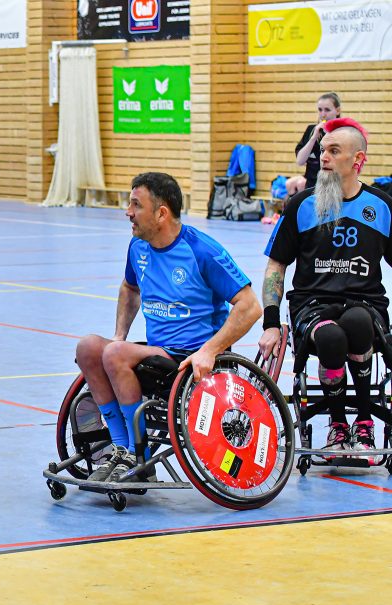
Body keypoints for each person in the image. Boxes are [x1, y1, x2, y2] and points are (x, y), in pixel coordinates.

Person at [75, 172, 261, 482]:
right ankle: (122, 449)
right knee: (90, 348)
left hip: (193, 359)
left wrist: (210, 351)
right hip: (158, 353)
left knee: (115, 355)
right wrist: (119, 335)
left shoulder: (202, 250)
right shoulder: (138, 248)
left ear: (161, 213)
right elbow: (130, 288)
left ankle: (139, 456)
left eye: (136, 205)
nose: (128, 212)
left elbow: (250, 306)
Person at [260, 117, 392, 462]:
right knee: (332, 337)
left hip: (365, 303)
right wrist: (271, 322)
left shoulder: (381, 206)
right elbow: (276, 267)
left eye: (334, 151)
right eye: (322, 151)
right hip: (312, 305)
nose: (324, 159)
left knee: (359, 323)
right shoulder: (301, 205)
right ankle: (336, 426)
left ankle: (364, 423)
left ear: (358, 160)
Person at [286, 93, 342, 196]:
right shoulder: (311, 130)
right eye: (320, 110)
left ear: (337, 111)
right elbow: (300, 161)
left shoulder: (343, 132)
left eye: (327, 110)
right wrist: (313, 138)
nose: (323, 114)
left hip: (333, 185)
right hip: (311, 185)